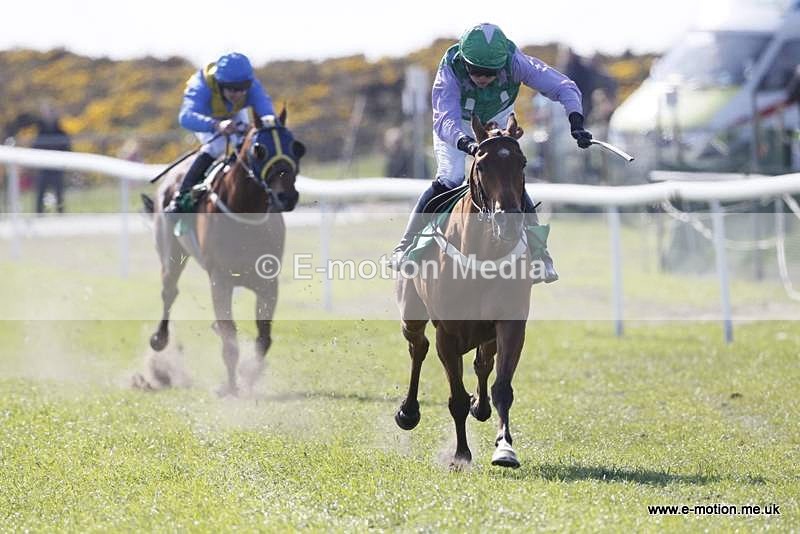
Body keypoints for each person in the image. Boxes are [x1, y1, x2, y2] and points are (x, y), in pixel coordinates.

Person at [391, 23, 593, 282]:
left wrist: (575, 120)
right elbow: (445, 119)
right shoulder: (450, 69)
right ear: (465, 62)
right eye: (476, 71)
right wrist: (467, 144)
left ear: (502, 65)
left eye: (490, 72)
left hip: (496, 118)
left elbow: (563, 87)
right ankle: (406, 245)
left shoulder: (516, 62)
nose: (483, 78)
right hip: (455, 124)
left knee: (507, 176)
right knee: (451, 177)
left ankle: (540, 255)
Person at [165, 52, 276, 213]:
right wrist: (215, 125)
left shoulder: (252, 86)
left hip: (234, 114)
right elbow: (185, 117)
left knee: (248, 143)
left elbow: (267, 113)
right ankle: (180, 198)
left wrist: (255, 127)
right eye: (232, 89)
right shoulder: (201, 85)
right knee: (217, 146)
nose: (238, 94)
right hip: (207, 118)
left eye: (243, 89)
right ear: (220, 84)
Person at [31, 103, 72, 214]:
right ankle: (39, 215)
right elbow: (35, 148)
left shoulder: (61, 132)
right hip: (43, 168)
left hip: (57, 168)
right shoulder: (40, 132)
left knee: (59, 193)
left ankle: (60, 214)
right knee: (40, 193)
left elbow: (67, 148)